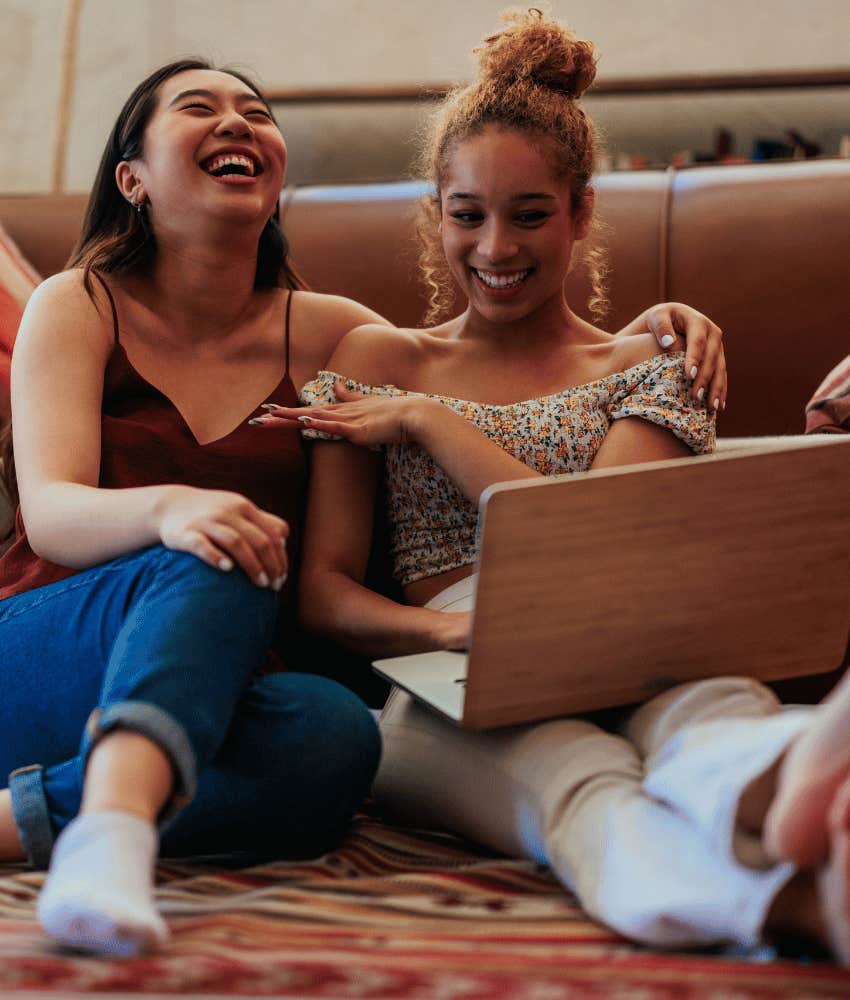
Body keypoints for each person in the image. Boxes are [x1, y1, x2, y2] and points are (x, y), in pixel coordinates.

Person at [0, 55, 728, 958]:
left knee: (337, 741)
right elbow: (52, 515)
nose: (237, 122)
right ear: (132, 179)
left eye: (256, 112)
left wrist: (654, 329)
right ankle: (109, 829)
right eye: (199, 108)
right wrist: (174, 512)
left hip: (219, 686)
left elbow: (491, 349)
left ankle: (18, 819)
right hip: (54, 641)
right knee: (220, 550)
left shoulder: (334, 333)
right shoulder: (81, 303)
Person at [257, 10, 850, 960]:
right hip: (448, 680)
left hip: (641, 642)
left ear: (580, 213)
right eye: (468, 214)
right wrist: (457, 631)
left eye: (531, 214)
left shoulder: (651, 360)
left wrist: (430, 424)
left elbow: (599, 543)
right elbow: (325, 596)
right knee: (581, 780)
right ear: (436, 213)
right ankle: (799, 909)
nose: (497, 247)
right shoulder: (377, 357)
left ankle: (811, 791)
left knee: (715, 730)